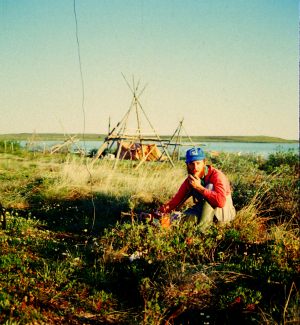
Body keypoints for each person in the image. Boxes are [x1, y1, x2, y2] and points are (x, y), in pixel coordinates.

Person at [158, 147, 236, 230]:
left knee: (210, 187)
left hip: (222, 214)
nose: (195, 167)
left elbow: (220, 202)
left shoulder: (217, 176)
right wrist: (159, 212)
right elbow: (176, 201)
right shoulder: (191, 180)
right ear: (187, 164)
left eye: (198, 163)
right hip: (203, 211)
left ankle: (202, 231)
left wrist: (199, 187)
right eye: (191, 163)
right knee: (179, 218)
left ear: (204, 162)